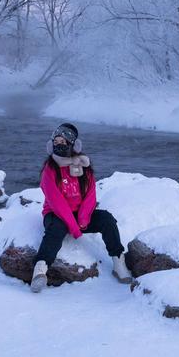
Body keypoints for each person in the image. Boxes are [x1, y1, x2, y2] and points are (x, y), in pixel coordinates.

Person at [30, 123, 132, 292]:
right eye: (56, 140)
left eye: (63, 141)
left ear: (73, 145)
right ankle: (40, 269)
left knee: (106, 219)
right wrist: (75, 227)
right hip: (56, 215)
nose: (59, 144)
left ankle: (118, 261)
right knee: (56, 229)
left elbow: (91, 195)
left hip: (80, 216)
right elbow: (57, 203)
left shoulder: (84, 167)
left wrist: (83, 219)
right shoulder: (49, 169)